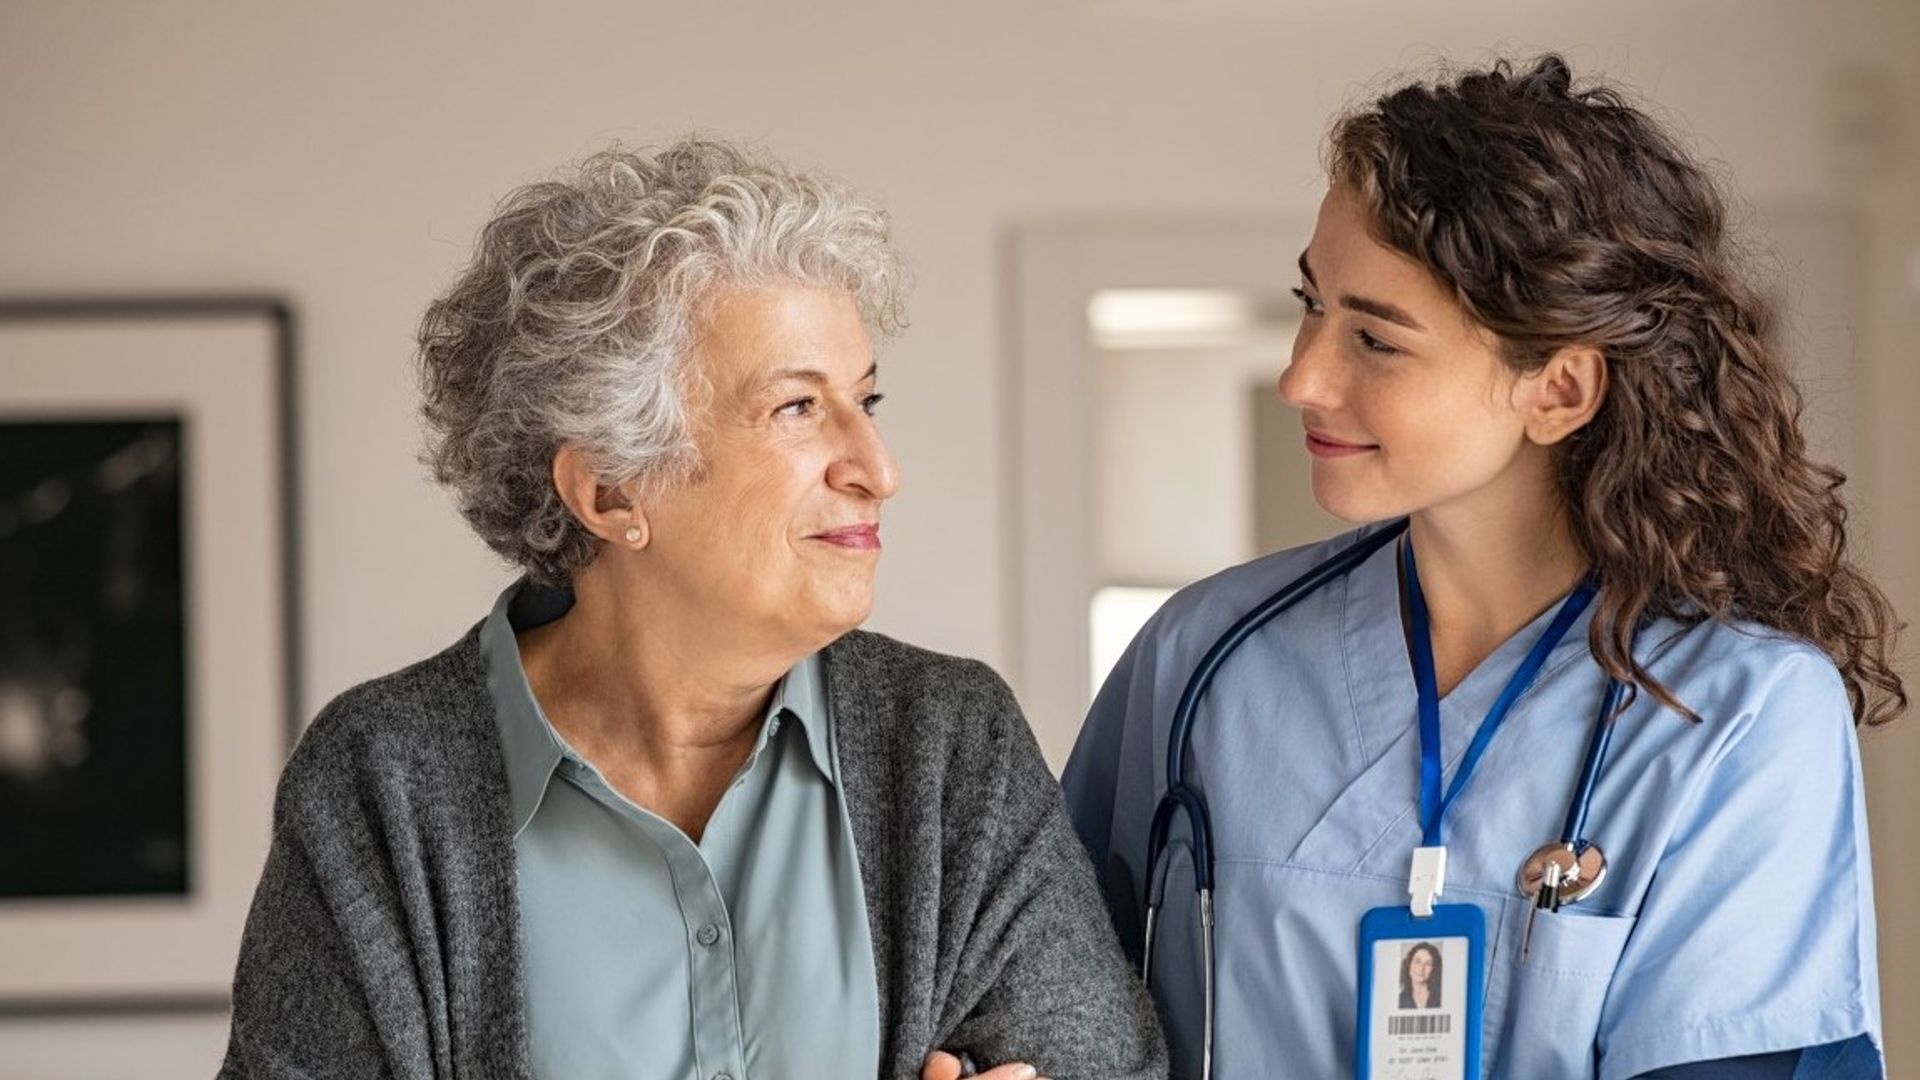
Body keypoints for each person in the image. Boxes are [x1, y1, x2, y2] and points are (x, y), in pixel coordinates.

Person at [220, 138, 1166, 1080]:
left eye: (866, 399)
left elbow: (1102, 1066)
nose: (877, 468)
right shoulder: (381, 781)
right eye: (797, 408)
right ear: (611, 492)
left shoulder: (951, 745)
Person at [1064, 56, 1902, 1080]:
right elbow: (1052, 1010)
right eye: (1311, 305)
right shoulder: (1204, 657)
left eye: (1374, 338)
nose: (1300, 375)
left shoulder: (1739, 715)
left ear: (1557, 390)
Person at [1398, 943, 1441, 1011]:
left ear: (1434, 969)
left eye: (1428, 964)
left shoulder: (1440, 998)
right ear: (1409, 964)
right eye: (1417, 962)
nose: (1421, 968)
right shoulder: (1400, 1000)